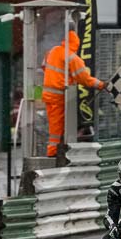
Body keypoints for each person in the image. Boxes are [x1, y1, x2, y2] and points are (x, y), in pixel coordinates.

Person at [42, 30, 106, 158]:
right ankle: (53, 152)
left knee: (54, 125)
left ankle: (56, 149)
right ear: (76, 44)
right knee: (57, 127)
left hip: (48, 95)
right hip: (59, 96)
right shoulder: (72, 57)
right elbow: (84, 79)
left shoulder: (54, 51)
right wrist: (101, 84)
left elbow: (44, 66)